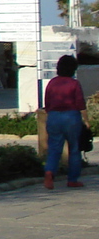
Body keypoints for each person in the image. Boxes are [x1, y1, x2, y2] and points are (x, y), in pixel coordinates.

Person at [43, 53, 87, 190]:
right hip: (71, 117)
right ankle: (72, 179)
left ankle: (49, 172)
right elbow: (80, 103)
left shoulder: (52, 83)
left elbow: (47, 103)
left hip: (54, 117)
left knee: (54, 148)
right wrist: (86, 120)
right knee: (74, 149)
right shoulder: (74, 83)